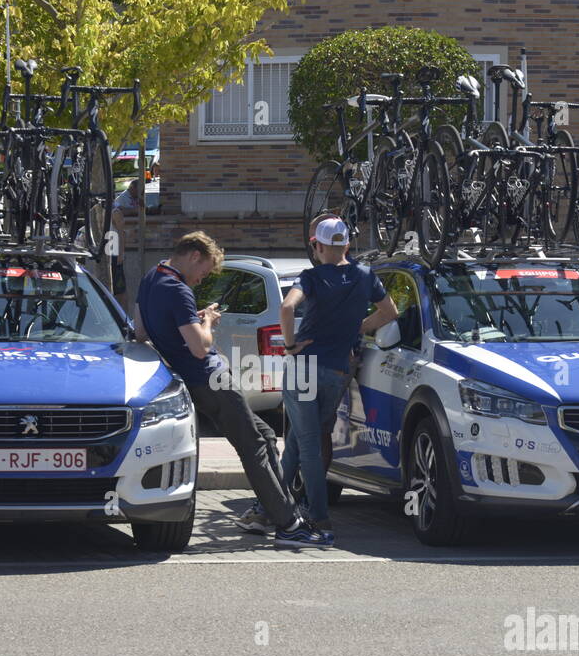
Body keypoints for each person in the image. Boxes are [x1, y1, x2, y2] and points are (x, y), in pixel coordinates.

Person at [135, 231, 331, 548]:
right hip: (211, 378)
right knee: (253, 445)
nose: (201, 280)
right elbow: (200, 348)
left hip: (197, 381)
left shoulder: (150, 278)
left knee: (265, 435)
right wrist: (209, 322)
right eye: (205, 271)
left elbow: (141, 331)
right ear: (195, 255)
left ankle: (272, 513)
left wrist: (187, 325)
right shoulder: (178, 289)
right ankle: (289, 526)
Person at [279, 217, 397, 535]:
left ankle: (318, 516)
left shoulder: (312, 277)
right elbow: (390, 313)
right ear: (346, 244)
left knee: (307, 445)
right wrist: (356, 328)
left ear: (318, 246)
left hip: (304, 368)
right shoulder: (364, 275)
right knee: (299, 441)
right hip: (337, 371)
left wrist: (290, 346)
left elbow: (287, 308)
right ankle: (268, 508)